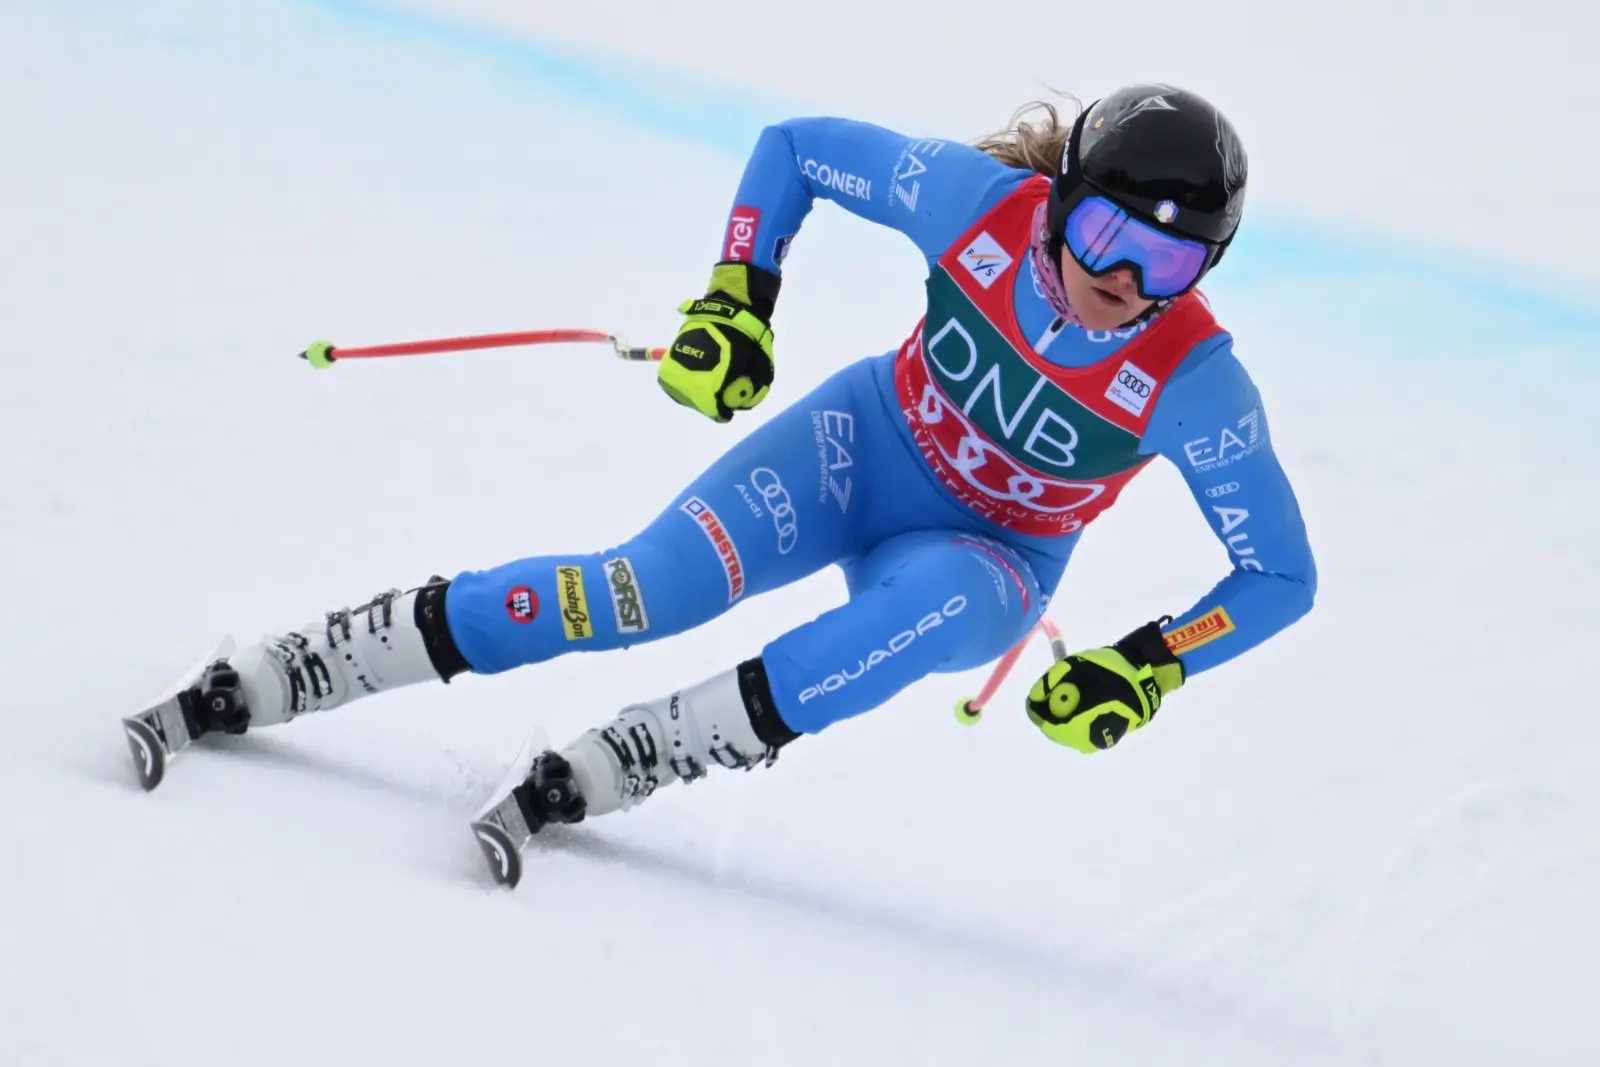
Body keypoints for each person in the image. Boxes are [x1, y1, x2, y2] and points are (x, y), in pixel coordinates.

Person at [157, 83, 1316, 836]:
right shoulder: (977, 205)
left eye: (1169, 264)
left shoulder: (1196, 385)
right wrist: (738, 300)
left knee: (913, 617)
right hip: (861, 446)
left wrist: (1152, 660)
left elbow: (1278, 575)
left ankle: (641, 753)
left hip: (990, 557)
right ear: (1060, 202)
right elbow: (794, 150)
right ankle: (305, 663)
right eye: (1106, 233)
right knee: (639, 589)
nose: (1121, 279)